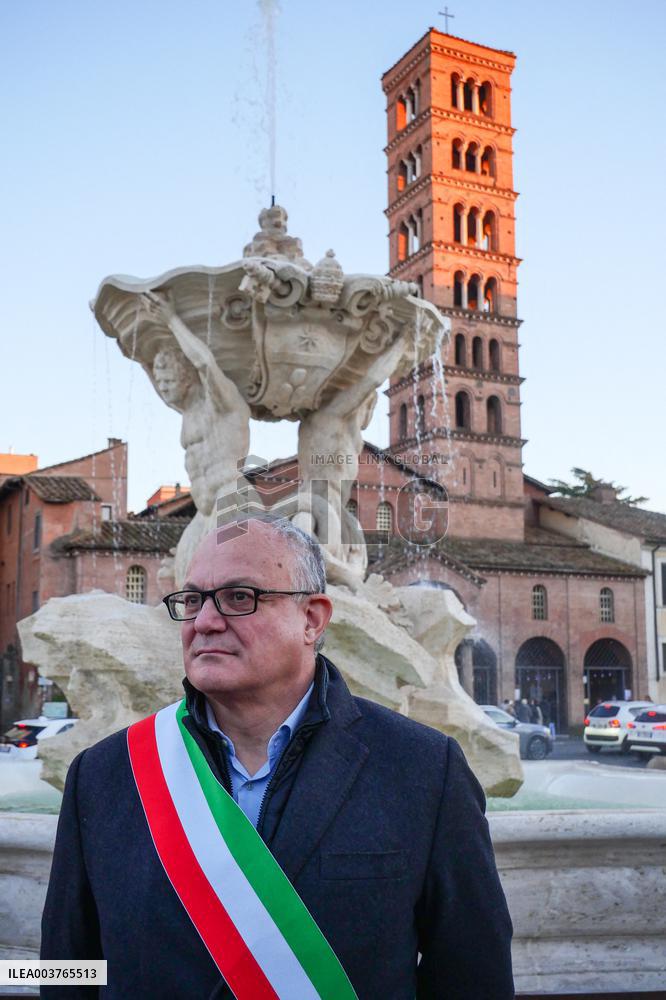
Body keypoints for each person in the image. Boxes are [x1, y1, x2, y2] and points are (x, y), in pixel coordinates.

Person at [41, 517, 514, 999]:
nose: (204, 622)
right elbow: (67, 970)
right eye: (193, 600)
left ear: (312, 619)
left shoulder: (424, 769)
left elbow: (474, 977)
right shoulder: (103, 774)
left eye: (238, 597)